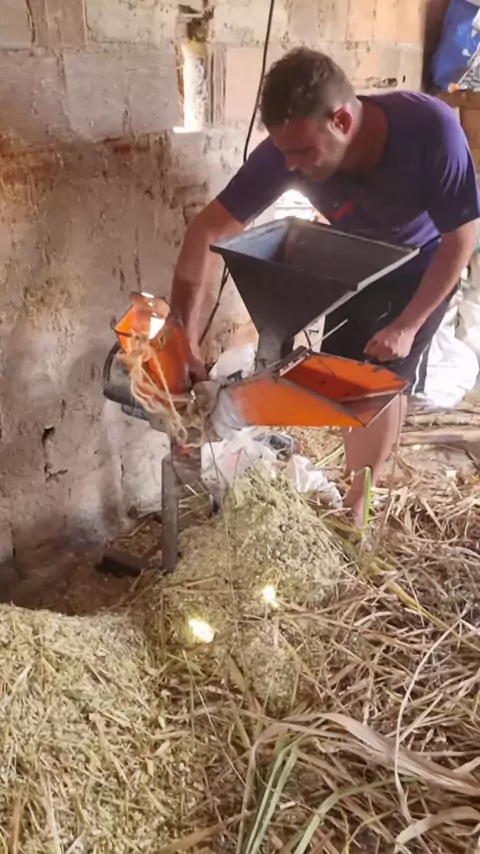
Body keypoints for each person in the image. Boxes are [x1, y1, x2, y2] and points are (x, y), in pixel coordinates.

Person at [171, 48, 480, 528]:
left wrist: (407, 325)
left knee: (379, 379)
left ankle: (358, 505)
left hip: (420, 261)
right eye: (284, 153)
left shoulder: (430, 131)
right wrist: (184, 337)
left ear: (341, 121)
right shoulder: (288, 152)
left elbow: (461, 239)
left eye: (302, 153)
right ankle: (351, 485)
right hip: (353, 258)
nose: (290, 166)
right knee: (342, 378)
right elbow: (207, 230)